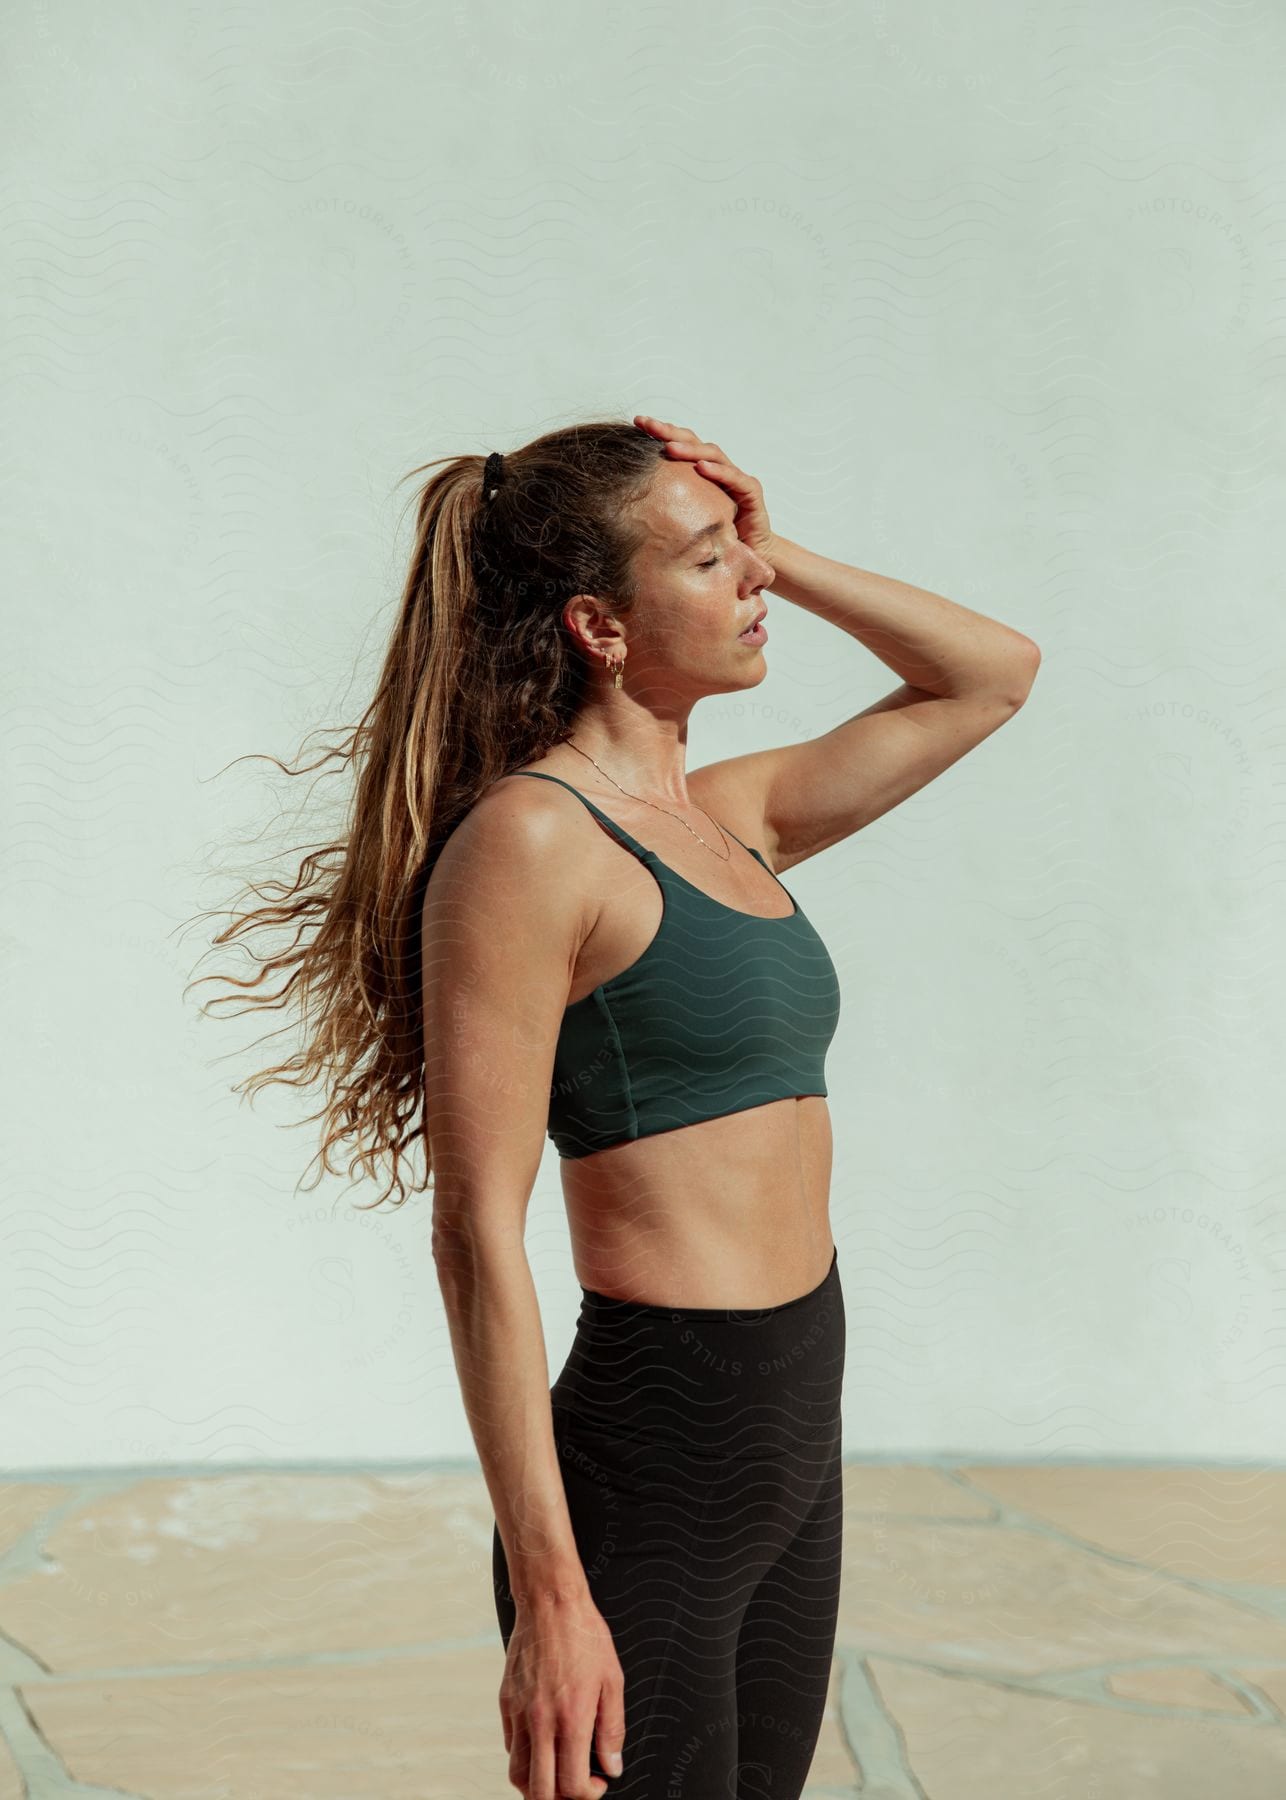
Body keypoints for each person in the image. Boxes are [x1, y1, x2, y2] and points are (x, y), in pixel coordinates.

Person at [191, 413, 1037, 1800]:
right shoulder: (531, 842)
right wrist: (550, 1601)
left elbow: (989, 675)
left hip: (789, 1411)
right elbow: (474, 1232)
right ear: (597, 623)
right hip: (658, 1445)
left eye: (738, 552)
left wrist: (772, 544)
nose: (749, 584)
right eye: (707, 563)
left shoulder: (729, 816)